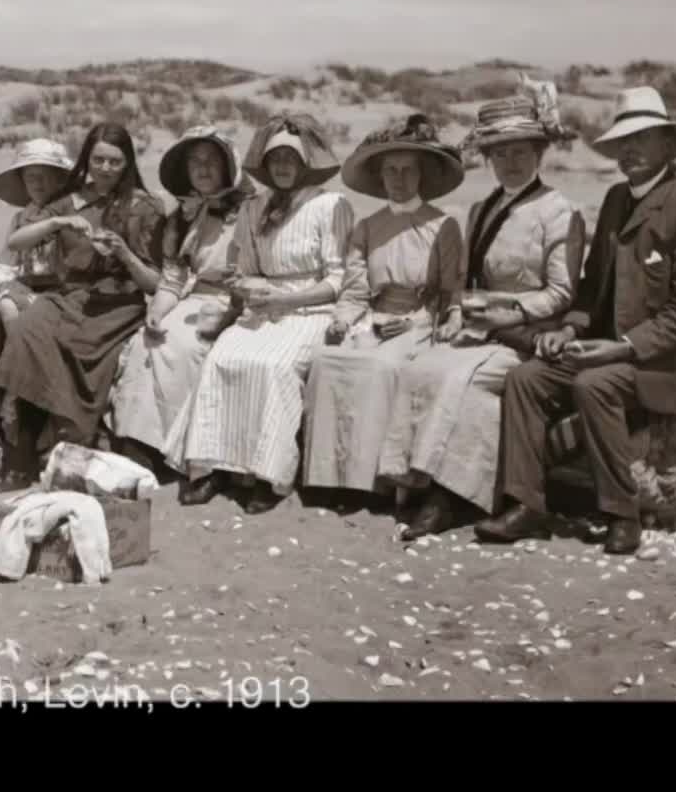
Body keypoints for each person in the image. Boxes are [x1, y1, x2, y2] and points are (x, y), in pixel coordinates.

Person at [475, 86, 676, 556]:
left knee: (595, 386)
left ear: (668, 146)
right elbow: (591, 287)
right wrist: (567, 329)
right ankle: (525, 503)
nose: (629, 150)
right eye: (622, 142)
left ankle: (621, 512)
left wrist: (623, 346)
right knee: (527, 378)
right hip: (606, 348)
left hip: (665, 363)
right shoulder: (615, 201)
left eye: (642, 139)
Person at [369, 89, 584, 539]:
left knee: (456, 382)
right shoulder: (482, 209)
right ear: (487, 158)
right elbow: (466, 283)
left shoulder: (559, 212)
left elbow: (563, 292)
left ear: (539, 152)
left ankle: (450, 497)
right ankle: (410, 482)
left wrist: (513, 314)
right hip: (483, 329)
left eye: (520, 152)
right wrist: (456, 315)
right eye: (499, 153)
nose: (509, 163)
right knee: (421, 368)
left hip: (529, 336)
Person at [165, 115, 352, 514]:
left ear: (305, 162)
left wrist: (291, 301)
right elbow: (246, 269)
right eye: (275, 159)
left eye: (290, 158)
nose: (283, 167)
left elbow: (338, 279)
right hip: (263, 304)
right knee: (222, 359)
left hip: (311, 308)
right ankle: (213, 467)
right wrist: (242, 286)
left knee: (275, 366)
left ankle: (269, 475)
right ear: (265, 166)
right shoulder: (254, 207)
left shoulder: (330, 205)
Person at [300, 115, 465, 506]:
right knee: (328, 360)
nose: (399, 178)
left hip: (419, 321)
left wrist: (415, 321)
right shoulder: (368, 226)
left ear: (422, 175)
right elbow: (356, 289)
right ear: (380, 176)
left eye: (408, 170)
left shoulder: (443, 226)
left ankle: (375, 481)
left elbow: (447, 293)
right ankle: (331, 476)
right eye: (391, 169)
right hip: (372, 319)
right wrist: (343, 318)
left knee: (380, 368)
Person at [0, 123, 165, 484]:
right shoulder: (69, 200)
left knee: (79, 346)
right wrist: (57, 221)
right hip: (68, 296)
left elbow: (154, 282)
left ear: (128, 163)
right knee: (26, 330)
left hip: (118, 303)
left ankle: (66, 434)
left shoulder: (145, 207)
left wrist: (125, 254)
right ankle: (19, 442)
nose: (106, 168)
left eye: (115, 162)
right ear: (87, 159)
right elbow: (18, 241)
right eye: (98, 159)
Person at [109, 126, 250, 465]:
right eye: (194, 162)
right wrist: (157, 310)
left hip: (240, 303)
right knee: (146, 341)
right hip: (194, 299)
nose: (202, 169)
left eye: (211, 161)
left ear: (228, 166)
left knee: (185, 347)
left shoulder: (250, 211)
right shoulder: (182, 217)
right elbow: (173, 278)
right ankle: (138, 441)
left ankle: (182, 450)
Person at [0, 138, 75, 414]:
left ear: (59, 179)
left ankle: (23, 375)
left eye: (44, 177)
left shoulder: (69, 214)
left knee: (7, 307)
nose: (38, 185)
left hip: (58, 289)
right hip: (26, 283)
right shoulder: (21, 218)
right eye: (31, 179)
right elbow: (7, 259)